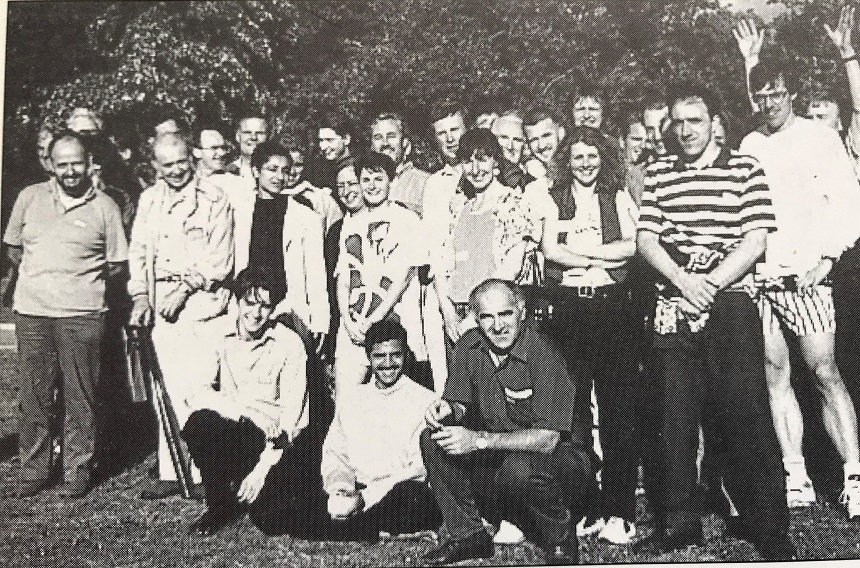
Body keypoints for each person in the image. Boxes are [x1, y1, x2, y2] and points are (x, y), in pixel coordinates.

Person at [636, 82, 794, 560]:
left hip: (730, 306)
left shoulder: (745, 168)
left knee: (747, 417)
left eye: (695, 121)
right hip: (675, 305)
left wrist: (710, 286)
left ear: (715, 124)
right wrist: (685, 283)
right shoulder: (660, 172)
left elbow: (756, 239)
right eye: (677, 123)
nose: (685, 131)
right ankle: (679, 526)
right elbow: (647, 240)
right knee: (675, 421)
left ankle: (769, 528)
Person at [739, 55, 860, 518]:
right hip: (765, 279)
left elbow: (848, 205)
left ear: (792, 94)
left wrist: (826, 259)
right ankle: (796, 474)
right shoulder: (750, 143)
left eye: (776, 92)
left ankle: (853, 476)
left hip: (810, 276)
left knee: (824, 371)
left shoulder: (821, 138)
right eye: (760, 94)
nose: (768, 102)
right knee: (775, 377)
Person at [420, 279, 590, 566]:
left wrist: (477, 440)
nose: (497, 326)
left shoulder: (544, 353)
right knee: (432, 439)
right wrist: (446, 409)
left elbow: (548, 439)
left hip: (560, 461)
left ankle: (560, 540)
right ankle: (469, 535)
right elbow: (459, 403)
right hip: (501, 456)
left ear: (522, 311)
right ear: (475, 318)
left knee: (519, 468)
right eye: (487, 316)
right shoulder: (469, 346)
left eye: (505, 314)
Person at [4, 131, 128, 498]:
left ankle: (77, 470)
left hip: (83, 315)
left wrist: (78, 281)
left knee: (80, 397)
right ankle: (35, 469)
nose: (71, 171)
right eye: (63, 164)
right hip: (33, 313)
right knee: (34, 395)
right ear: (50, 165)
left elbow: (117, 264)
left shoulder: (105, 206)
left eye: (77, 162)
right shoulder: (29, 197)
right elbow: (13, 248)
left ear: (89, 162)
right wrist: (45, 278)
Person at [539, 126, 639, 545]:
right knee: (574, 410)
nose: (585, 164)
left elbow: (631, 246)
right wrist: (602, 251)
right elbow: (550, 250)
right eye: (577, 157)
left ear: (604, 159)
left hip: (612, 306)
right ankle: (587, 506)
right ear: (567, 160)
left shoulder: (616, 194)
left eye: (592, 156)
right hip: (570, 308)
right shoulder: (554, 197)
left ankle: (620, 510)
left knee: (617, 407)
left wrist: (586, 254)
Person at [127, 133, 234, 499]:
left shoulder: (214, 198)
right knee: (167, 390)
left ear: (193, 158)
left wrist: (185, 289)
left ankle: (207, 472)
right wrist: (141, 296)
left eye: (180, 162)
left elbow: (221, 258)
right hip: (162, 308)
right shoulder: (149, 200)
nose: (175, 170)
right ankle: (173, 469)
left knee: (202, 390)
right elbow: (139, 252)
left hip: (204, 305)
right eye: (166, 164)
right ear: (155, 166)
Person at [181, 267, 312, 536]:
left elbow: (294, 420)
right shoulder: (218, 333)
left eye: (265, 306)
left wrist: (262, 470)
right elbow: (196, 393)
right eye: (249, 303)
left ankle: (249, 487)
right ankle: (218, 505)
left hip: (273, 443)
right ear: (236, 302)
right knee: (199, 422)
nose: (256, 313)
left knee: (270, 519)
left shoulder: (289, 344)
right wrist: (246, 413)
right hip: (237, 428)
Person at [321, 320, 441, 539]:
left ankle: (352, 526)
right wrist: (341, 488)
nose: (388, 364)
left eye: (395, 355)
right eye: (379, 356)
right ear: (368, 358)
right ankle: (364, 525)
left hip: (398, 492)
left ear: (405, 355)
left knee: (413, 498)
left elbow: (419, 469)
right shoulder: (353, 399)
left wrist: (365, 498)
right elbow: (336, 453)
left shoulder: (425, 400)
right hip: (357, 488)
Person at [430, 129, 546, 347]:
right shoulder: (459, 208)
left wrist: (476, 316)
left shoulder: (512, 204)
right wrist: (448, 312)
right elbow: (441, 262)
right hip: (457, 316)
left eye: (482, 160)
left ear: (495, 163)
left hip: (495, 317)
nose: (475, 170)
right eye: (467, 161)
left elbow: (511, 268)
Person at [334, 152, 427, 392]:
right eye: (366, 180)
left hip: (390, 323)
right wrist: (347, 321)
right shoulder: (351, 222)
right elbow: (344, 277)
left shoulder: (406, 218)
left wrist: (375, 319)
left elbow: (404, 276)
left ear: (391, 181)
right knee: (347, 399)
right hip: (354, 325)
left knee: (393, 397)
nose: (372, 186)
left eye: (378, 179)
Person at [229, 141, 329, 348]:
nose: (279, 177)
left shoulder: (305, 216)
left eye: (284, 171)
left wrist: (319, 320)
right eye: (272, 170)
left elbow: (316, 273)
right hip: (248, 310)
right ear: (256, 171)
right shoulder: (238, 211)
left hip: (289, 309)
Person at [369, 111, 430, 216]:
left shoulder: (426, 183)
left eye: (391, 136)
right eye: (378, 137)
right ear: (371, 147)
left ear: (406, 144)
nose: (385, 143)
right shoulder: (364, 185)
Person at [283, 142, 343, 236]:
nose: (292, 171)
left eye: (298, 165)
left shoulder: (321, 199)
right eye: (288, 165)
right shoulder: (264, 196)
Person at [305, 111, 355, 192]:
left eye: (330, 140)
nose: (323, 146)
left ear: (346, 139)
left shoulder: (355, 169)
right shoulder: (326, 167)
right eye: (321, 140)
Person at [227, 112, 269, 182]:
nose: (253, 137)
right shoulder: (226, 172)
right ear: (237, 136)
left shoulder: (280, 173)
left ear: (267, 137)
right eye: (247, 132)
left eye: (259, 133)